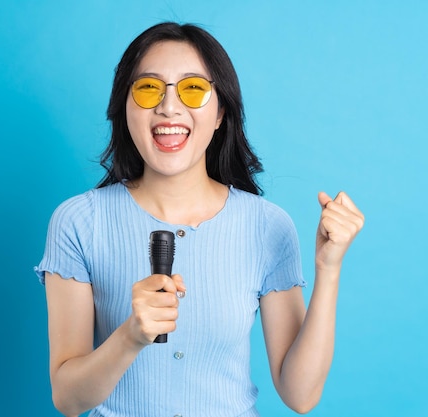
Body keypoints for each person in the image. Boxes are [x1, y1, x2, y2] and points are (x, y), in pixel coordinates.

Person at [35, 22, 364, 417]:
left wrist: (328, 269)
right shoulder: (78, 223)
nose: (169, 107)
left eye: (192, 89)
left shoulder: (267, 226)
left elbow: (301, 395)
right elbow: (68, 399)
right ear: (125, 107)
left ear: (221, 111)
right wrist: (131, 336)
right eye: (148, 88)